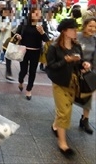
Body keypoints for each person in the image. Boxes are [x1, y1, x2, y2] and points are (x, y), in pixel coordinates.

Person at [46, 18, 91, 158]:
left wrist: (84, 65)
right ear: (65, 31)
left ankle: (55, 125)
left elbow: (80, 62)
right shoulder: (54, 47)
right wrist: (65, 61)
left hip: (74, 83)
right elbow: (50, 67)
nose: (75, 32)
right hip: (60, 83)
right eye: (73, 29)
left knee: (65, 109)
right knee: (64, 112)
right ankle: (63, 144)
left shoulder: (77, 46)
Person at [15, 8, 50, 100]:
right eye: (35, 13)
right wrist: (18, 36)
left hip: (36, 51)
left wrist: (42, 32)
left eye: (39, 13)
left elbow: (46, 39)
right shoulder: (24, 23)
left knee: (32, 71)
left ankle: (29, 89)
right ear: (31, 14)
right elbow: (16, 34)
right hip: (24, 50)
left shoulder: (43, 25)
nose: (37, 15)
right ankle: (21, 81)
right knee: (23, 70)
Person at [75, 17, 96, 134]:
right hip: (74, 70)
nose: (92, 29)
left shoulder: (95, 40)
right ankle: (61, 119)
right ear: (84, 25)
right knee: (69, 95)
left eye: (95, 27)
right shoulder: (76, 36)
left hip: (87, 71)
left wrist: (90, 69)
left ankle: (85, 119)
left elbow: (95, 59)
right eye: (90, 26)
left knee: (88, 96)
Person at [0, 1, 14, 81]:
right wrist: (0, 29)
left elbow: (12, 29)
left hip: (6, 41)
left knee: (8, 57)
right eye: (4, 12)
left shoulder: (9, 20)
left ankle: (8, 73)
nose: (6, 13)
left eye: (7, 12)